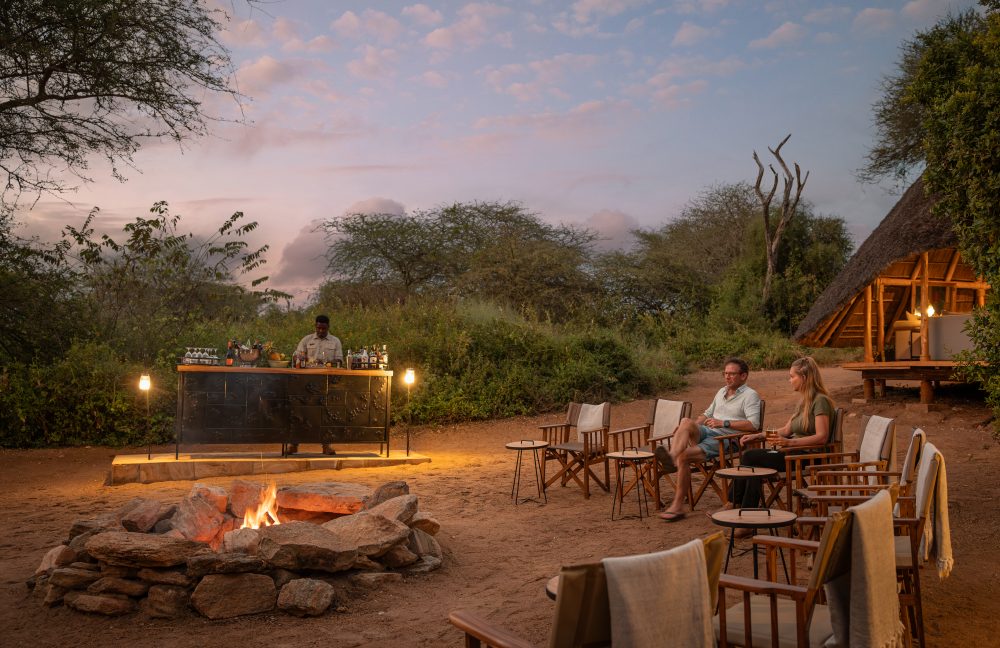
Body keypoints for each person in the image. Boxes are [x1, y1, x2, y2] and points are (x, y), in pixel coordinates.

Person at [655, 358, 762, 522]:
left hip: (726, 438)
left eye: (732, 374)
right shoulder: (721, 391)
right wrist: (689, 427)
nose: (727, 377)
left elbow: (754, 425)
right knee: (685, 421)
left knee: (684, 457)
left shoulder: (750, 395)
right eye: (725, 373)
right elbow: (706, 414)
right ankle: (672, 456)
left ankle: (677, 506)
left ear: (744, 376)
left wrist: (723, 422)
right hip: (709, 431)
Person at [731, 357, 834, 524]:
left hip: (806, 457)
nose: (789, 380)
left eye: (792, 376)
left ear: (805, 377)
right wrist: (759, 435)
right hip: (792, 452)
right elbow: (786, 430)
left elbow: (822, 437)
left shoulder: (820, 400)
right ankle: (746, 515)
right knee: (753, 465)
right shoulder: (804, 401)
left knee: (749, 457)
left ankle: (737, 507)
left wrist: (789, 443)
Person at [287, 314, 343, 456]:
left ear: (328, 327)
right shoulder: (307, 340)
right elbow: (297, 356)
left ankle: (326, 446)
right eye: (318, 328)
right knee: (300, 411)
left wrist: (330, 365)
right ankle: (293, 444)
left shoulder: (335, 341)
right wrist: (298, 357)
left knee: (325, 413)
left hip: (326, 381)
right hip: (306, 381)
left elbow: (339, 362)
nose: (321, 331)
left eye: (323, 328)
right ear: (315, 326)